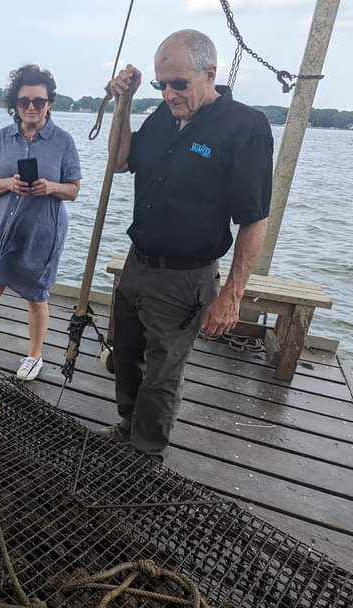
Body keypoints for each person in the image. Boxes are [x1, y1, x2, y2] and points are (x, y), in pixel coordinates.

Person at [100, 29, 273, 461]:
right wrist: (124, 105)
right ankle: (128, 426)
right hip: (137, 264)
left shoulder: (244, 127)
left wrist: (231, 296)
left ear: (209, 73)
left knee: (162, 373)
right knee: (123, 353)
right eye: (161, 84)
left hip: (186, 278)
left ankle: (146, 452)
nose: (169, 93)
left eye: (178, 83)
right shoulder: (162, 116)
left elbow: (254, 220)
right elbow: (120, 161)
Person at [0, 65, 81, 382]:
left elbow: (74, 190)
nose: (32, 107)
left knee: (37, 295)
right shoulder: (0, 139)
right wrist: (9, 183)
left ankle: (35, 356)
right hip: (3, 227)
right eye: (25, 102)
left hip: (42, 230)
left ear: (50, 102)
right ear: (15, 104)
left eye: (39, 101)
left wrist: (50, 187)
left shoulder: (63, 141)